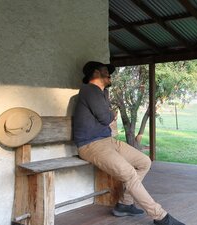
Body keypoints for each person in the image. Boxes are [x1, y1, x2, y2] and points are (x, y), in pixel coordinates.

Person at [73, 61, 185, 225]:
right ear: (96, 73)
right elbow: (106, 117)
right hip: (90, 145)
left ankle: (125, 204)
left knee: (144, 162)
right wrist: (111, 114)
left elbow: (107, 116)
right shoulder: (89, 90)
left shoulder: (101, 93)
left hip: (107, 141)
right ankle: (160, 217)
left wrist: (110, 114)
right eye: (106, 71)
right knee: (129, 174)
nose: (110, 75)